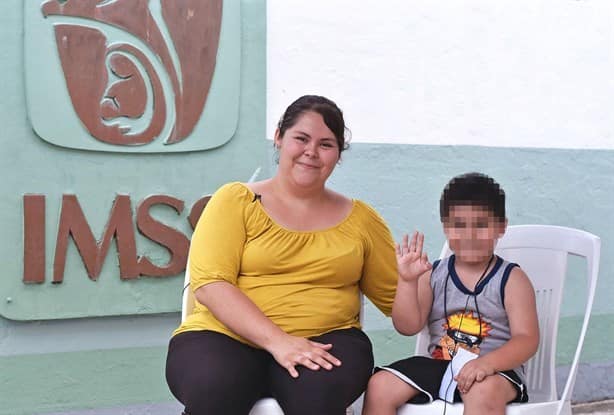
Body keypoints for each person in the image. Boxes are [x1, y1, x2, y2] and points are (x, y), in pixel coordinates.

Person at [165, 95, 399, 415]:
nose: (311, 152)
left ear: (339, 155)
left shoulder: (362, 221)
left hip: (325, 340)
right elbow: (210, 285)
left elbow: (399, 305)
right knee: (214, 387)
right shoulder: (236, 201)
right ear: (279, 138)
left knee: (317, 396)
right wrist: (280, 342)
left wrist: (449, 278)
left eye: (326, 144)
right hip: (222, 336)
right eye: (301, 138)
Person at [362, 172, 539, 415]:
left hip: (496, 372)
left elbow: (527, 339)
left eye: (481, 225)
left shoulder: (511, 279)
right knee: (379, 385)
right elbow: (407, 326)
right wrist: (407, 282)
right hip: (440, 366)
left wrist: (486, 364)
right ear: (445, 227)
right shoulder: (433, 274)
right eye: (459, 225)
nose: (469, 235)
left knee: (481, 391)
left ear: (501, 227)